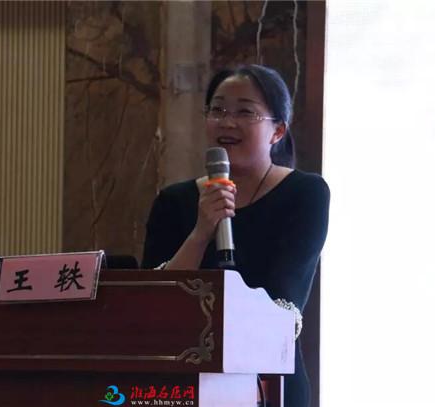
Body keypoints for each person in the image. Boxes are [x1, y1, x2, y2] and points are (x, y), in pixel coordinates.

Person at [141, 64, 330, 407]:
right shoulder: (173, 201)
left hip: (269, 381)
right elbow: (152, 304)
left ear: (277, 131)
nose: (227, 122)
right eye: (218, 110)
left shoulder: (305, 193)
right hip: (184, 382)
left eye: (245, 112)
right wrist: (201, 231)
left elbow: (283, 307)